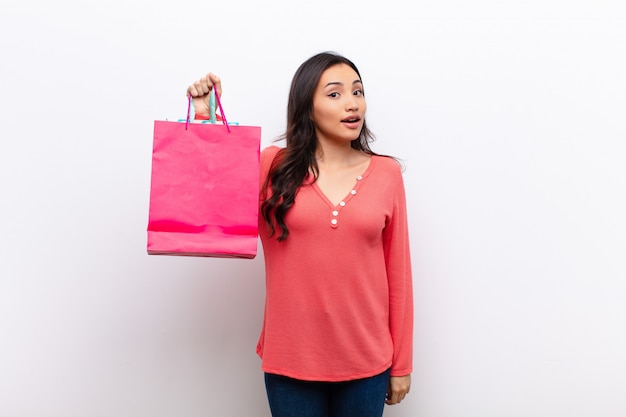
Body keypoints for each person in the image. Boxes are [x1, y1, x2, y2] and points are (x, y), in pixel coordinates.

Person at [186, 51, 413, 417]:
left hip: (368, 362)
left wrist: (401, 364)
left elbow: (398, 275)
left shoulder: (386, 174)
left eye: (357, 92)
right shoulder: (271, 166)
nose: (352, 104)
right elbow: (207, 202)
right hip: (290, 360)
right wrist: (203, 120)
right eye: (335, 94)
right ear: (307, 106)